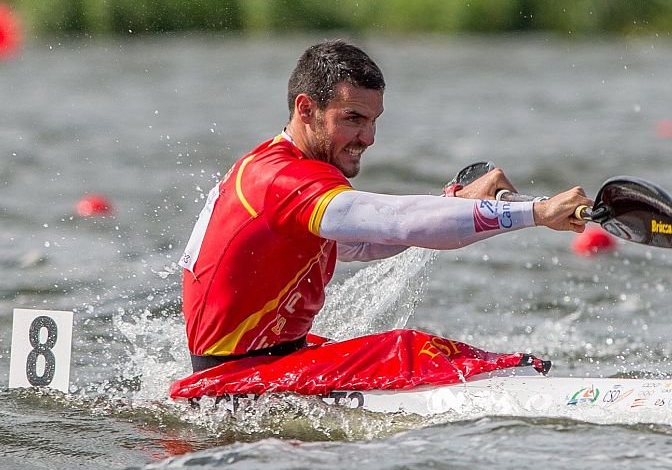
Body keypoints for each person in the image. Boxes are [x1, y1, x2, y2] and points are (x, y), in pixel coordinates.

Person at [177, 39, 590, 372]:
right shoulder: (285, 180)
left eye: (374, 121)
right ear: (306, 109)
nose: (368, 138)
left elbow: (361, 242)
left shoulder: (275, 165)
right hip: (234, 382)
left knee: (416, 348)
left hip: (260, 363)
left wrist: (455, 202)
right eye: (353, 118)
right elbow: (400, 222)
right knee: (412, 349)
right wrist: (537, 212)